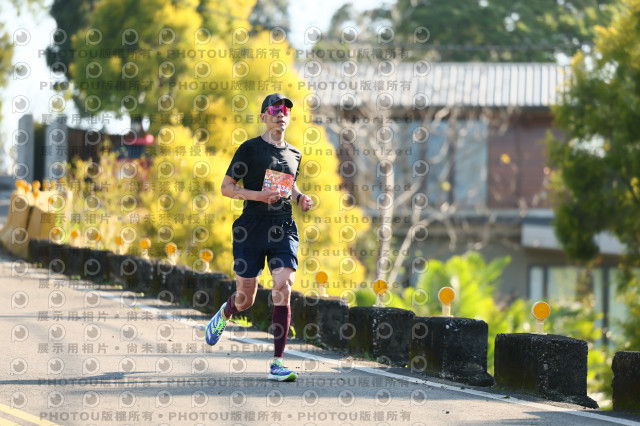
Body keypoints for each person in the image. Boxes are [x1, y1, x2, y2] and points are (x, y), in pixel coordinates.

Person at [205, 93, 313, 382]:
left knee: (284, 285)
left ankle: (277, 362)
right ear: (264, 116)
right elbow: (227, 188)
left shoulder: (295, 154)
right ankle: (226, 312)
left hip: (283, 226)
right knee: (245, 299)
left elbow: (290, 184)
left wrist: (300, 197)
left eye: (285, 110)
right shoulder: (249, 149)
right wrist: (259, 197)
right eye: (275, 109)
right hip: (251, 227)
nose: (281, 114)